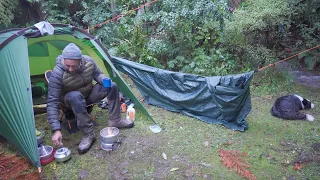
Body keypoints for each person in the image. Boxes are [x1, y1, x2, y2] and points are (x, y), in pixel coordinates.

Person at [47, 43, 134, 154]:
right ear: (63, 60)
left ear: (80, 61)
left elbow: (98, 74)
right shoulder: (57, 73)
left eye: (73, 66)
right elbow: (52, 102)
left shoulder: (89, 62)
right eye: (67, 65)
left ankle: (115, 120)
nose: (70, 69)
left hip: (88, 95)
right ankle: (89, 134)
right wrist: (56, 129)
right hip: (70, 101)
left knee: (112, 86)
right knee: (75, 96)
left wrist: (104, 80)